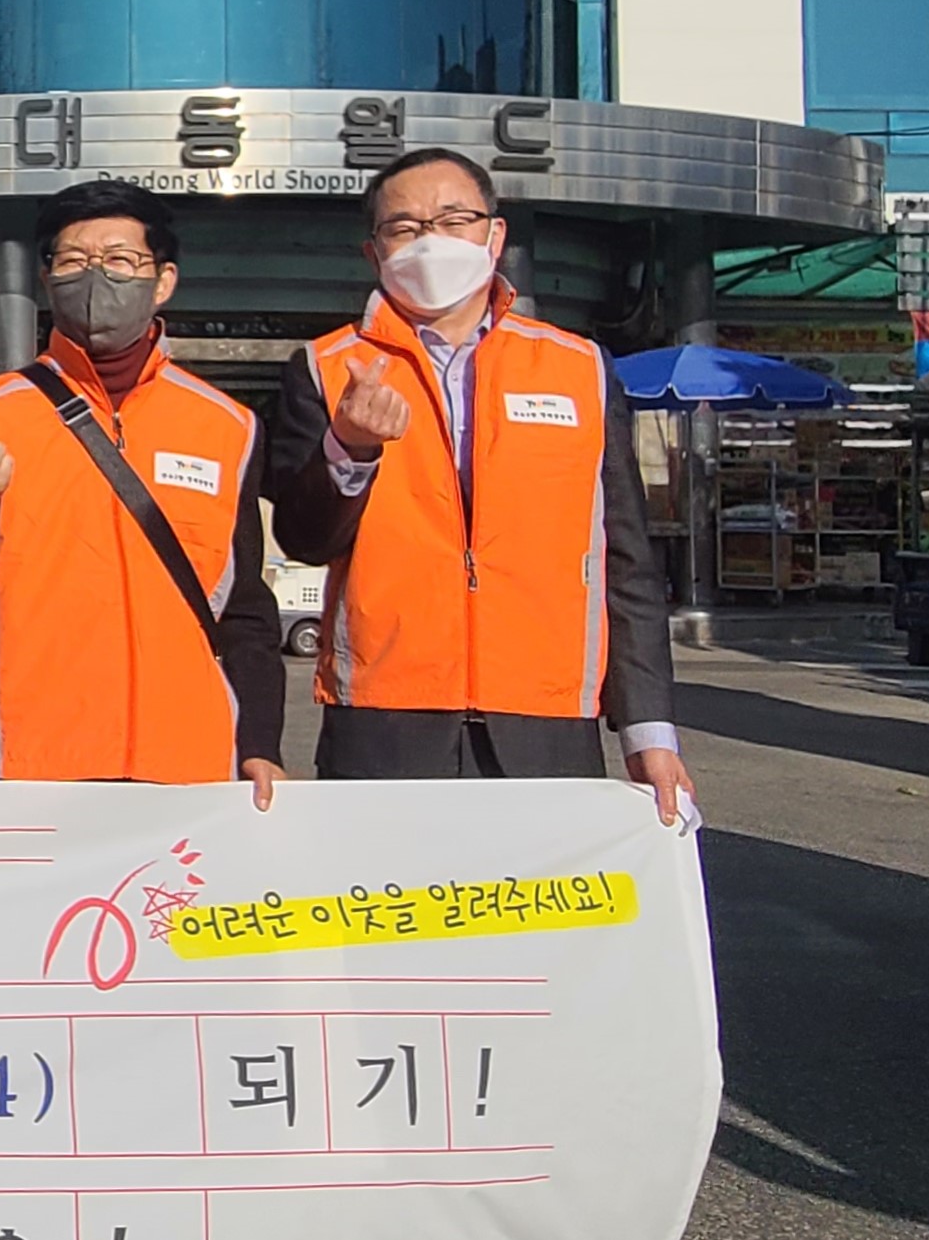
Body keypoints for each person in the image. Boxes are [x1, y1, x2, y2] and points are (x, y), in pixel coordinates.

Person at [264, 147, 692, 821]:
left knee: (540, 924)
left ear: (495, 237)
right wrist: (349, 448)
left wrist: (648, 729)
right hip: (384, 721)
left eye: (454, 219)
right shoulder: (326, 367)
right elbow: (302, 536)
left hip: (547, 719)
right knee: (390, 919)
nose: (430, 240)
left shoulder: (578, 368)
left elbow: (626, 559)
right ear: (374, 254)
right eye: (404, 228)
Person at [0, 181, 284, 783]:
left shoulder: (228, 427)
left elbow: (243, 612)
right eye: (74, 261)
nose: (96, 277)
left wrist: (261, 744)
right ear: (48, 279)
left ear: (163, 281)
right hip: (26, 767)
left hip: (186, 769)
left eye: (121, 260)